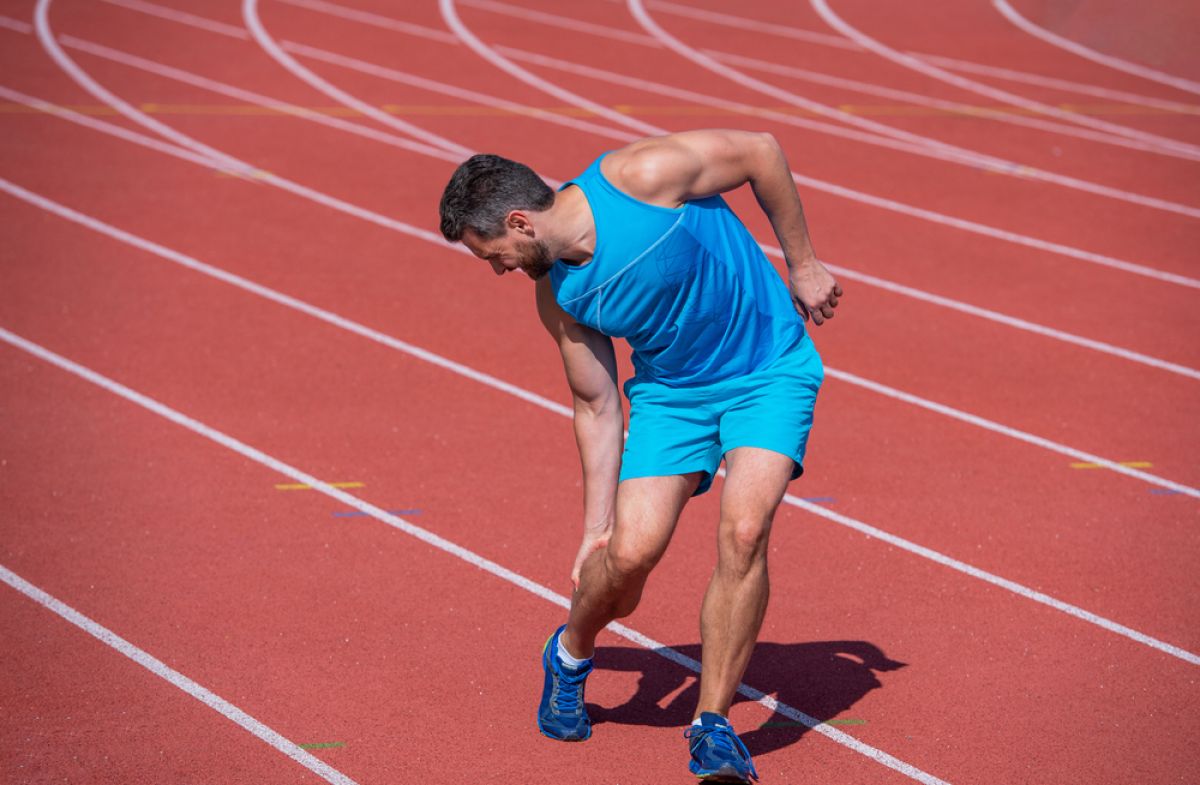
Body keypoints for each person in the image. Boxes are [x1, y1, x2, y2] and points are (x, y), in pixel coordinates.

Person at [438, 129, 840, 783]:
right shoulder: (561, 295)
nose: (498, 270)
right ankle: (570, 654)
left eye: (495, 254)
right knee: (627, 557)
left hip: (769, 368)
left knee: (744, 527)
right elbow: (596, 406)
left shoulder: (641, 176)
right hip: (672, 398)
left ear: (519, 221)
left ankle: (712, 725)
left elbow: (762, 152)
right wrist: (596, 526)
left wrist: (802, 264)